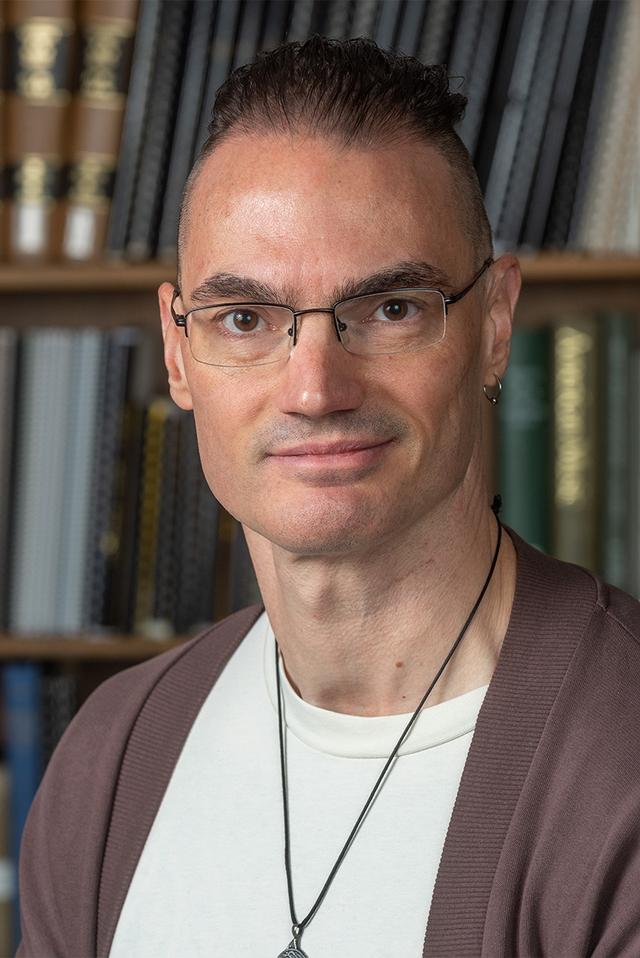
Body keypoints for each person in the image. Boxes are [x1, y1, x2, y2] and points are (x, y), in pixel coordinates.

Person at [17, 35, 640, 958]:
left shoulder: (621, 766)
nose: (314, 388)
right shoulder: (110, 761)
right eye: (244, 318)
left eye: (391, 309)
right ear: (179, 350)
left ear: (495, 326)